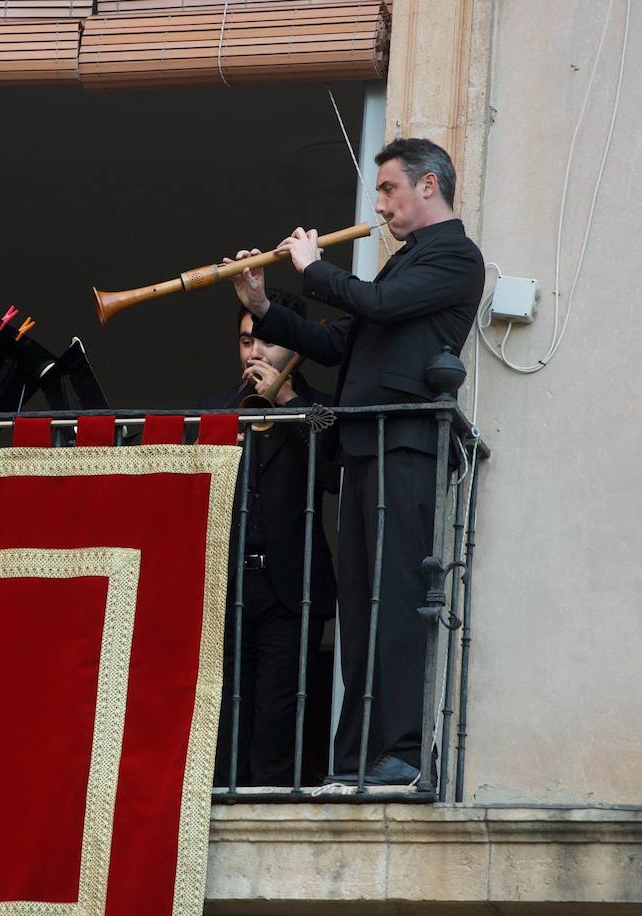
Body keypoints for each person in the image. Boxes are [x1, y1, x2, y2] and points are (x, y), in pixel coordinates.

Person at [229, 138, 484, 786]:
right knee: (362, 612)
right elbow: (332, 340)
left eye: (389, 189)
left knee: (396, 601)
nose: (380, 205)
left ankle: (401, 751)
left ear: (428, 186)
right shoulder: (401, 269)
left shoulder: (454, 256)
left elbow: (376, 307)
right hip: (368, 450)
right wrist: (262, 306)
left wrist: (314, 268)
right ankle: (356, 757)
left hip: (405, 448)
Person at [204, 290, 338, 788]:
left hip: (291, 588)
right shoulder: (214, 407)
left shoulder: (321, 408)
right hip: (227, 583)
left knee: (278, 715)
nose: (254, 352)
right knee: (224, 710)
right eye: (246, 341)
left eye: (267, 340)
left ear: (293, 345)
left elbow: (335, 472)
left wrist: (284, 401)